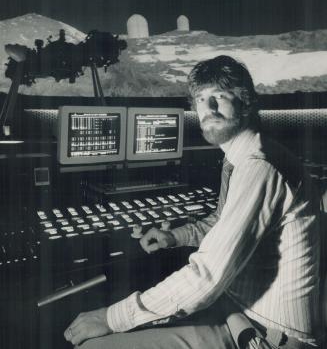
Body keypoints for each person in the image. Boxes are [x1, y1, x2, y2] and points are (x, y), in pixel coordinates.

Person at [64, 55, 321, 348]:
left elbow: (206, 276)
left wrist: (110, 318)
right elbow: (221, 220)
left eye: (219, 97)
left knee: (93, 346)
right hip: (237, 310)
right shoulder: (243, 156)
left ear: (246, 102)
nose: (208, 108)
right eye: (201, 99)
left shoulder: (260, 166)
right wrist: (174, 236)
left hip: (266, 333)